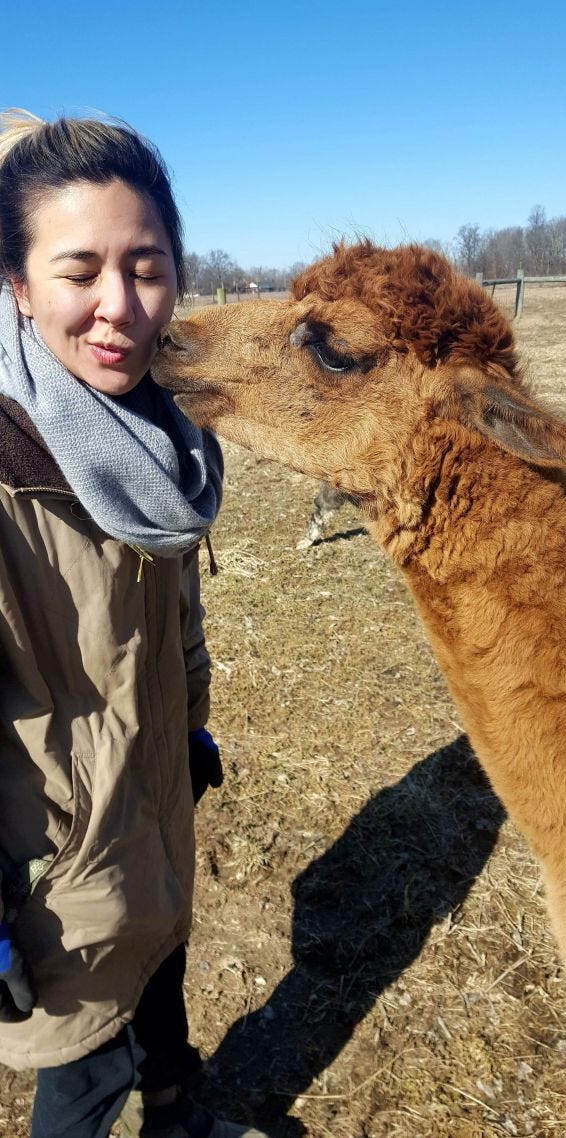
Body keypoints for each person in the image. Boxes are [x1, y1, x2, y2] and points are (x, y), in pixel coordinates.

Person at [0, 110, 269, 1138]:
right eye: (79, 270)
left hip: (153, 802)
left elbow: (176, 608)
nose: (119, 306)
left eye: (145, 265)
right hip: (53, 869)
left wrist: (190, 724)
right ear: (18, 287)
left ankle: (181, 1116)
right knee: (79, 1079)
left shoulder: (163, 431)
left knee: (162, 993)